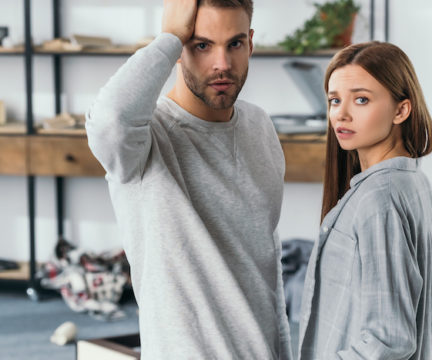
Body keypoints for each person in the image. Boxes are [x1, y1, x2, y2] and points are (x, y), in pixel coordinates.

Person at [85, 0, 291, 358]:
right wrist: (167, 37)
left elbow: (266, 269)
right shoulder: (145, 138)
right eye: (201, 45)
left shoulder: (260, 127)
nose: (222, 64)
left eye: (235, 44)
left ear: (251, 43)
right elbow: (109, 120)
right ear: (178, 49)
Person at [297, 41, 432, 359]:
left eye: (361, 99)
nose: (341, 114)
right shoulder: (414, 185)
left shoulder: (380, 200)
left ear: (401, 110)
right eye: (334, 100)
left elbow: (388, 340)